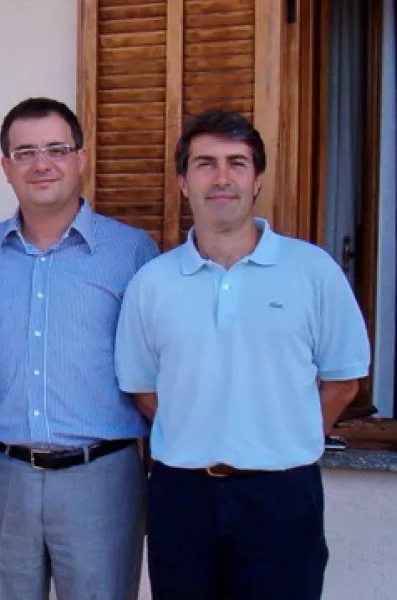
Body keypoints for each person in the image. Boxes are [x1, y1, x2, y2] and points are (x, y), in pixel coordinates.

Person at [115, 109, 369, 600]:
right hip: (182, 496)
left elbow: (343, 382)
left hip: (281, 495)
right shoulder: (152, 283)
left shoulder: (312, 271)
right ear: (184, 182)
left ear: (257, 181)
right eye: (205, 163)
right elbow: (143, 388)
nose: (222, 177)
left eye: (237, 162)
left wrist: (285, 437)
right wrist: (203, 430)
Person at [0, 97, 157, 600]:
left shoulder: (132, 250)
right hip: (6, 476)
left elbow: (155, 365)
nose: (41, 163)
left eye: (56, 148)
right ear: (6, 167)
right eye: (24, 152)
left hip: (103, 476)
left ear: (81, 158)